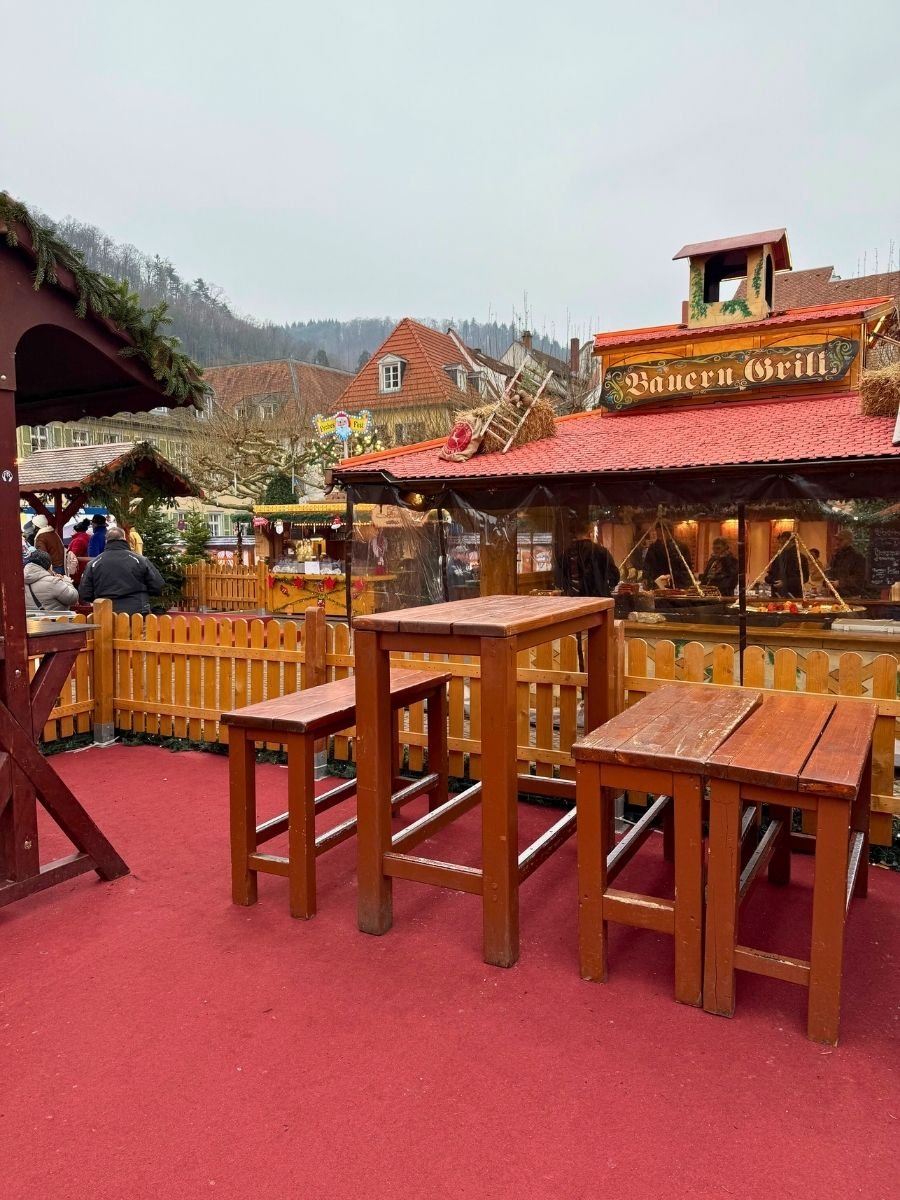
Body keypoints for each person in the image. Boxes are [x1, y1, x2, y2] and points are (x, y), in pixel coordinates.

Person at [78, 527, 165, 615]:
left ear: (106, 540)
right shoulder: (139, 560)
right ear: (124, 538)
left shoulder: (94, 563)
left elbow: (85, 593)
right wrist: (143, 595)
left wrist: (99, 597)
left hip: (105, 612)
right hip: (137, 610)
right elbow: (158, 585)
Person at [555, 519, 620, 597]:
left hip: (574, 601)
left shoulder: (565, 554)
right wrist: (606, 586)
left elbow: (558, 580)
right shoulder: (601, 551)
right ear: (590, 533)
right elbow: (614, 576)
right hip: (599, 600)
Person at [765, 531, 809, 599]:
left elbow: (805, 578)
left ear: (792, 542)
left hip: (794, 595)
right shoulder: (778, 557)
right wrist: (770, 579)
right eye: (780, 542)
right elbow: (771, 574)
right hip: (776, 594)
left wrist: (785, 583)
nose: (781, 544)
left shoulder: (801, 558)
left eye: (784, 542)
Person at [828, 529, 867, 596]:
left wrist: (840, 583)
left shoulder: (857, 557)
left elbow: (859, 578)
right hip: (835, 595)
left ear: (848, 541)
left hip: (851, 596)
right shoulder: (836, 556)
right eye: (837, 540)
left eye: (840, 540)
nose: (837, 542)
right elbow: (831, 572)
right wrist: (828, 580)